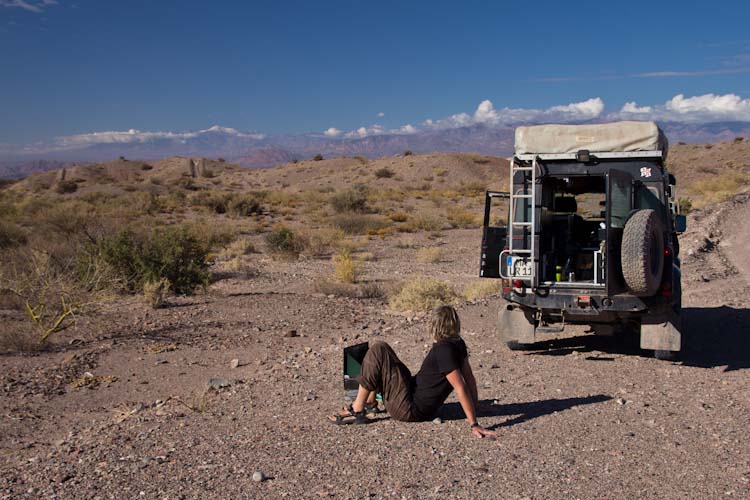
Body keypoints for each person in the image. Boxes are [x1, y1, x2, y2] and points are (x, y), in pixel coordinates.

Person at [328, 305, 497, 439]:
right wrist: (475, 405)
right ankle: (370, 403)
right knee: (384, 353)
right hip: (412, 395)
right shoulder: (457, 343)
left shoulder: (443, 351)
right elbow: (470, 377)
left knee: (379, 349)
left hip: (409, 409)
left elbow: (461, 386)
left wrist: (474, 424)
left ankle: (357, 410)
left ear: (435, 325)